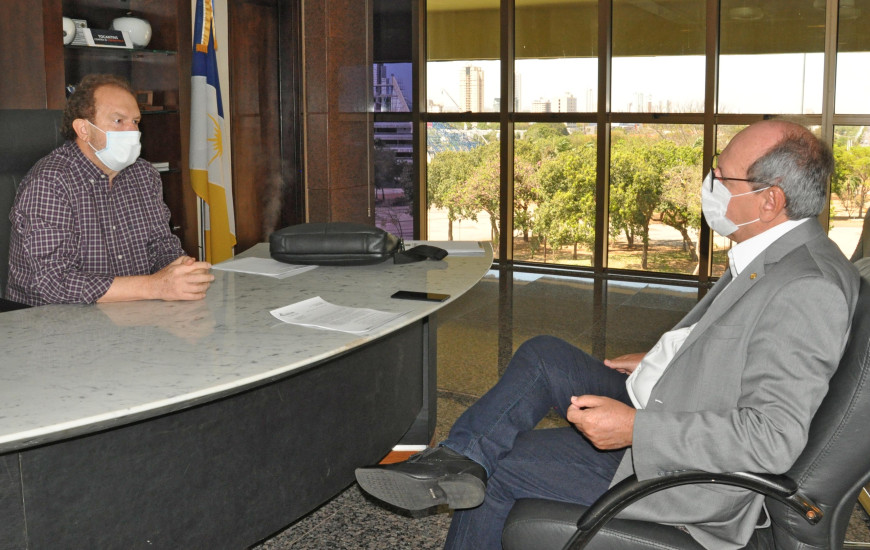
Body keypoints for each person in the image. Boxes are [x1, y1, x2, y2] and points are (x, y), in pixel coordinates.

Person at [355, 120, 861, 549]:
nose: (709, 184)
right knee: (543, 355)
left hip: (677, 472)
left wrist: (637, 429)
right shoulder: (776, 253)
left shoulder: (806, 286)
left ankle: (470, 467)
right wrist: (671, 356)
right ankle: (456, 460)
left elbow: (772, 438)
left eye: (722, 176)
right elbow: (741, 342)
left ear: (769, 200)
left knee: (504, 467)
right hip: (672, 398)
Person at [6, 74, 213, 306]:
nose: (131, 131)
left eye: (135, 121)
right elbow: (55, 283)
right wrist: (154, 286)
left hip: (131, 310)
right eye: (118, 121)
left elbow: (160, 246)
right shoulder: (51, 182)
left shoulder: (144, 175)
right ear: (83, 129)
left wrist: (181, 270)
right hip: (50, 318)